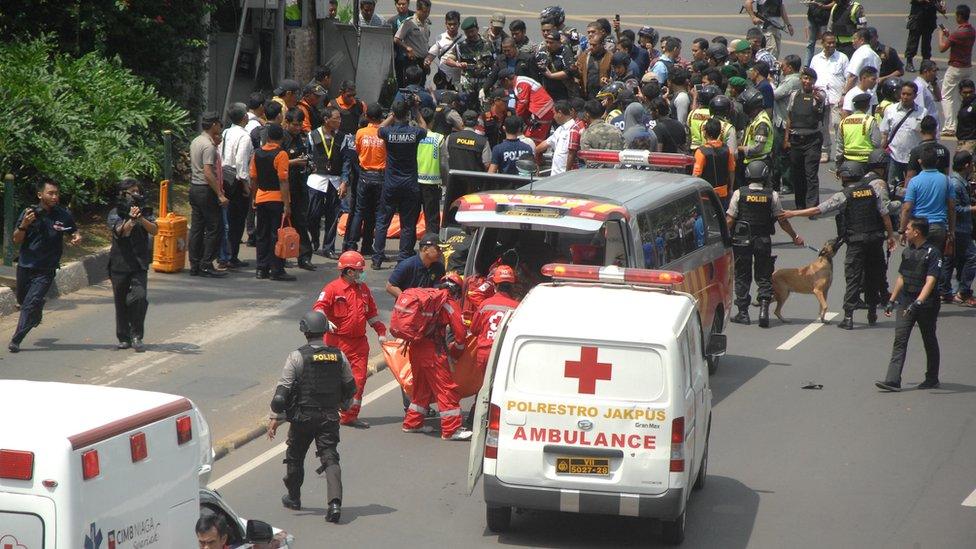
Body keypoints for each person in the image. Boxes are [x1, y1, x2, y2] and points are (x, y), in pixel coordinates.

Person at [783, 161, 896, 329]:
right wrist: (891, 236)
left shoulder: (845, 195)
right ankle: (872, 312)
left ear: (845, 177)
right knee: (874, 277)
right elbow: (885, 215)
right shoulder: (874, 191)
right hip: (875, 240)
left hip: (856, 242)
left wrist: (793, 213)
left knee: (853, 278)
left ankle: (848, 317)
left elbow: (818, 210)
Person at [268, 310, 356, 522]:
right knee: (330, 456)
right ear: (325, 331)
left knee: (295, 456)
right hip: (329, 417)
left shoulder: (296, 357)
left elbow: (282, 394)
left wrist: (275, 418)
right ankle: (334, 504)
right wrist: (345, 406)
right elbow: (350, 387)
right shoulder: (339, 355)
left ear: (304, 331)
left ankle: (294, 497)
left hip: (302, 417)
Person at [312, 251, 386, 428]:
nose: (362, 274)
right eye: (359, 271)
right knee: (331, 380)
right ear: (349, 271)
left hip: (359, 344)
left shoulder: (364, 290)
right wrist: (325, 321)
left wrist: (381, 331)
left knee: (358, 381)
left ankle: (349, 416)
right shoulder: (332, 289)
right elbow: (319, 307)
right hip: (336, 342)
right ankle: (326, 413)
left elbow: (372, 314)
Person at [726, 161, 804, 327]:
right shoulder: (773, 195)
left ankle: (743, 313)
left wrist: (721, 237)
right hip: (763, 240)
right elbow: (782, 220)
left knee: (742, 275)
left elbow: (730, 219)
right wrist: (795, 236)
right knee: (764, 276)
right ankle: (764, 311)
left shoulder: (739, 194)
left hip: (742, 241)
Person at [8, 180, 82, 353]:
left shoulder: (63, 215)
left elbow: (74, 232)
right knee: (23, 300)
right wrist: (24, 225)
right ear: (40, 195)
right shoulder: (29, 213)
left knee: (29, 304)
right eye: (50, 193)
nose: (55, 197)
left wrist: (76, 237)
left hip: (47, 268)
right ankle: (37, 309)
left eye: (56, 193)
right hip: (25, 265)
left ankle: (16, 339)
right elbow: (16, 239)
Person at [401, 274, 472, 441]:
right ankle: (451, 429)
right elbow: (460, 334)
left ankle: (412, 423)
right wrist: (456, 353)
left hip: (415, 348)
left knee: (422, 388)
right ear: (456, 291)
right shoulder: (447, 302)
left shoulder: (429, 296)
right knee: (446, 389)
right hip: (432, 351)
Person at [875, 217, 943, 392]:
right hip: (906, 301)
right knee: (900, 339)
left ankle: (932, 377)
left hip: (926, 304)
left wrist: (919, 301)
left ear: (916, 232)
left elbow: (931, 280)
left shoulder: (933, 252)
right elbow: (901, 278)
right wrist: (892, 300)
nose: (905, 232)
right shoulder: (907, 252)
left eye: (907, 229)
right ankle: (893, 380)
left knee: (929, 339)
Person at [372, 99, 427, 270]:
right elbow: (425, 128)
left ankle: (377, 258)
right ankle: (403, 258)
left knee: (383, 221)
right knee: (408, 223)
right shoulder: (414, 132)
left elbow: (379, 128)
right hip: (410, 183)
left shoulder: (388, 132)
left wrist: (391, 115)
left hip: (390, 183)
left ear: (394, 114)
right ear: (408, 114)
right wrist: (416, 110)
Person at [107, 179, 157, 352]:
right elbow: (120, 232)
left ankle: (137, 335)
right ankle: (123, 337)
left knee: (139, 297)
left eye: (137, 191)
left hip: (139, 263)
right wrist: (131, 220)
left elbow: (154, 230)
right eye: (132, 191)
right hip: (119, 263)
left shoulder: (146, 210)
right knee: (120, 302)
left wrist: (141, 218)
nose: (136, 194)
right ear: (123, 194)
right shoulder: (115, 212)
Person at [249, 123, 296, 281]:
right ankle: (277, 269)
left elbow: (253, 178)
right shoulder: (281, 154)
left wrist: (254, 197)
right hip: (277, 200)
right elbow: (283, 181)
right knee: (277, 235)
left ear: (267, 137)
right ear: (281, 138)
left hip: (261, 197)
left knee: (262, 234)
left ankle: (261, 269)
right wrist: (287, 204)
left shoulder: (257, 153)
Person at [307, 106, 355, 260]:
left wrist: (344, 182)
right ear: (326, 120)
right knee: (313, 214)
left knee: (333, 215)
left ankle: (329, 247)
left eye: (340, 118)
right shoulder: (312, 135)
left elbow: (347, 162)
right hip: (316, 181)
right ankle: (314, 239)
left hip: (334, 181)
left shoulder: (342, 138)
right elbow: (307, 157)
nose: (339, 121)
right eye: (336, 118)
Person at [189, 112, 229, 278]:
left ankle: (195, 263)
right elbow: (208, 172)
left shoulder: (196, 141)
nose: (220, 127)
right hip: (205, 189)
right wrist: (220, 194)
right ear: (213, 125)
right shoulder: (209, 145)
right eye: (219, 124)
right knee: (215, 227)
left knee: (197, 228)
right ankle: (206, 264)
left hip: (194, 188)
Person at [899, 146, 956, 253]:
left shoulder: (914, 182)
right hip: (938, 227)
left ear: (920, 162)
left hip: (918, 227)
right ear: (937, 161)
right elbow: (952, 208)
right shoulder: (947, 180)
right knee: (935, 261)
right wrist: (951, 230)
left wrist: (902, 230)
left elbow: (907, 208)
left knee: (916, 261)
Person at [785, 67, 827, 207]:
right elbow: (789, 118)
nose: (807, 81)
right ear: (801, 79)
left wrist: (819, 100)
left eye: (810, 79)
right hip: (796, 140)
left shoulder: (819, 94)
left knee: (811, 174)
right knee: (798, 174)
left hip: (812, 140)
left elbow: (821, 102)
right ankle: (800, 205)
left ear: (814, 81)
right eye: (805, 78)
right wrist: (786, 139)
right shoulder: (794, 95)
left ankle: (812, 207)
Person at [219, 103, 253, 270]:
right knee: (238, 220)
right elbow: (241, 162)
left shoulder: (225, 132)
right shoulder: (244, 136)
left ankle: (224, 254)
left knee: (227, 219)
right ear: (244, 117)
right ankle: (232, 256)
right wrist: (246, 185)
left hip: (224, 177)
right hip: (237, 180)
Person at [350, 104, 386, 257]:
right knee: (377, 213)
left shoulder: (360, 133)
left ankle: (352, 246)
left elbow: (357, 152)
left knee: (359, 211)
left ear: (367, 117)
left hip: (364, 175)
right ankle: (369, 246)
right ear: (381, 117)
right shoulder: (385, 133)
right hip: (380, 176)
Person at [940, 150, 976, 304]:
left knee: (953, 260)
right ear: (966, 165)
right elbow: (955, 209)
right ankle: (962, 291)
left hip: (963, 228)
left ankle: (946, 290)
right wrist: (973, 208)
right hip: (959, 228)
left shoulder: (962, 181)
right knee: (972, 257)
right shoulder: (955, 183)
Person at [281, 108, 315, 270]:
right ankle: (280, 255)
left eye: (300, 124)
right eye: (295, 124)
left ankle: (304, 257)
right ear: (286, 123)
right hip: (284, 186)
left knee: (301, 221)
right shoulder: (281, 139)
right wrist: (294, 162)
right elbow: (275, 162)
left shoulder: (302, 139)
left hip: (300, 185)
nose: (298, 127)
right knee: (282, 222)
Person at [810, 32, 850, 161]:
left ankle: (840, 152)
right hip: (820, 98)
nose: (831, 45)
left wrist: (844, 95)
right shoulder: (816, 59)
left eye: (833, 42)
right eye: (829, 43)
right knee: (822, 126)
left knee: (838, 124)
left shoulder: (842, 58)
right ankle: (825, 150)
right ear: (822, 43)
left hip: (836, 98)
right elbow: (811, 77)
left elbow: (848, 78)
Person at [882, 82, 927, 190]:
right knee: (891, 187)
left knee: (912, 188)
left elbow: (926, 135)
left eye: (908, 94)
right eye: (903, 94)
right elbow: (884, 133)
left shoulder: (923, 112)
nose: (905, 97)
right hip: (894, 156)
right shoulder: (890, 110)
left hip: (914, 158)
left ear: (915, 96)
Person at [938, 4, 975, 137]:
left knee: (946, 96)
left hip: (955, 68)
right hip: (967, 67)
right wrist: (950, 36)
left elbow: (942, 48)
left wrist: (941, 35)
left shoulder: (958, 33)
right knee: (964, 97)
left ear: (959, 16)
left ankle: (950, 126)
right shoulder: (971, 31)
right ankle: (966, 122)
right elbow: (956, 42)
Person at [444, 17, 494, 111]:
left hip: (484, 85)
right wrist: (457, 64)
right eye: (467, 32)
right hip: (468, 86)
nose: (470, 34)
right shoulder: (460, 46)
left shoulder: (488, 44)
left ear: (477, 29)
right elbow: (448, 60)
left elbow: (495, 64)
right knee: (467, 112)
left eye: (472, 31)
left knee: (485, 112)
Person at [499, 68, 555, 144]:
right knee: (532, 138)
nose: (504, 87)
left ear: (506, 80)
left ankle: (534, 154)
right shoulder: (520, 81)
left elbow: (522, 103)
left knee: (532, 140)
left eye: (502, 84)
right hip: (541, 110)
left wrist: (515, 119)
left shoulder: (521, 83)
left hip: (542, 110)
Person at [693, 118, 736, 203]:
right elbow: (732, 171)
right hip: (723, 193)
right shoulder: (727, 150)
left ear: (705, 132)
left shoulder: (701, 151)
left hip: (706, 194)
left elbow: (696, 175)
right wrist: (731, 189)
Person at [836, 93, 882, 173]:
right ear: (867, 106)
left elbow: (840, 146)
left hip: (848, 161)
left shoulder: (844, 121)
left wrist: (838, 165)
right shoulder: (870, 120)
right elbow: (877, 143)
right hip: (867, 162)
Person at [738, 88, 774, 188]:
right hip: (752, 162)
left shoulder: (762, 123)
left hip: (759, 164)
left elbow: (758, 148)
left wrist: (739, 148)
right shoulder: (754, 119)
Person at [393, 0, 431, 86]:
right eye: (424, 12)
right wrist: (407, 48)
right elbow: (396, 39)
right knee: (411, 88)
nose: (426, 14)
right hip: (412, 62)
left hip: (423, 61)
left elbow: (425, 42)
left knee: (421, 87)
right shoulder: (409, 22)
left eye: (428, 12)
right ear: (418, 10)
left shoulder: (426, 23)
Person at [905, 0, 946, 73]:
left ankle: (926, 63)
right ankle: (909, 62)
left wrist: (941, 5)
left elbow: (940, 2)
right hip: (917, 15)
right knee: (913, 41)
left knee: (927, 42)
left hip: (930, 16)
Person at [534, 101, 574, 175]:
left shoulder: (574, 129)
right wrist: (533, 152)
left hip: (567, 175)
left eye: (554, 113)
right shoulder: (560, 129)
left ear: (560, 113)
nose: (553, 116)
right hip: (555, 175)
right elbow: (546, 143)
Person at [906, 115, 951, 180]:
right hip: (939, 187)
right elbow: (946, 175)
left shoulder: (915, 152)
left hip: (920, 188)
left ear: (921, 131)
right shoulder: (944, 150)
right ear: (935, 131)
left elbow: (910, 176)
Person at [426, 11, 463, 89]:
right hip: (443, 76)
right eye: (450, 24)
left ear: (459, 24)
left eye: (454, 24)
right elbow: (432, 54)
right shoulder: (440, 38)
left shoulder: (463, 40)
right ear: (446, 24)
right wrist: (427, 61)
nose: (452, 27)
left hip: (457, 79)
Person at [576, 22, 612, 100]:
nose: (591, 47)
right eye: (590, 44)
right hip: (587, 96)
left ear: (602, 44)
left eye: (594, 45)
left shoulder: (610, 57)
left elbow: (614, 75)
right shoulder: (584, 56)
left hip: (603, 96)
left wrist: (608, 81)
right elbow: (579, 74)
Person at [845, 29, 881, 97]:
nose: (852, 41)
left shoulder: (859, 53)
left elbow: (853, 76)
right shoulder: (875, 55)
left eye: (854, 39)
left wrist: (845, 95)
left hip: (858, 97)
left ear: (862, 40)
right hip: (871, 96)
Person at [914, 60, 942, 132]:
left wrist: (934, 83)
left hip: (932, 128)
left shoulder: (926, 85)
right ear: (926, 71)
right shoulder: (919, 87)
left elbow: (939, 98)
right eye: (934, 71)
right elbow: (920, 110)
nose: (936, 74)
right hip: (927, 130)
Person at [958, 79, 976, 152]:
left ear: (974, 90)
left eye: (970, 92)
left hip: (971, 142)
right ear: (960, 92)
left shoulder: (974, 105)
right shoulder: (965, 103)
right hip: (962, 141)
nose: (968, 95)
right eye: (965, 93)